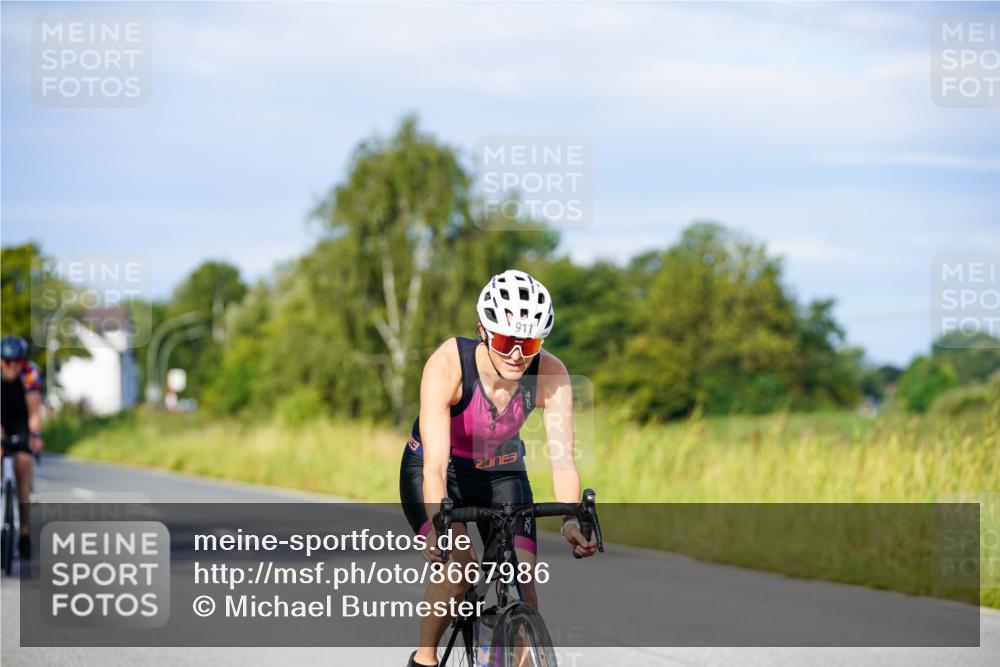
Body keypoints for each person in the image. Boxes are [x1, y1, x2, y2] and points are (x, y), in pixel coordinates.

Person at [399, 269, 597, 667]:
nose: (518, 355)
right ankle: (425, 657)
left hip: (502, 471)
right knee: (461, 569)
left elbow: (564, 459)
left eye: (530, 343)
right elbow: (436, 467)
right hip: (439, 471)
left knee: (525, 583)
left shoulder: (552, 374)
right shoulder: (447, 365)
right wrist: (439, 527)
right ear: (483, 331)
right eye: (507, 341)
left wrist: (571, 519)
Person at [0, 335, 44, 561]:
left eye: (17, 361)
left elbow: (34, 413)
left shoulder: (30, 374)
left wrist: (35, 436)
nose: (12, 366)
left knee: (22, 466)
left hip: (21, 423)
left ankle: (24, 532)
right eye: (7, 362)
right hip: (1, 421)